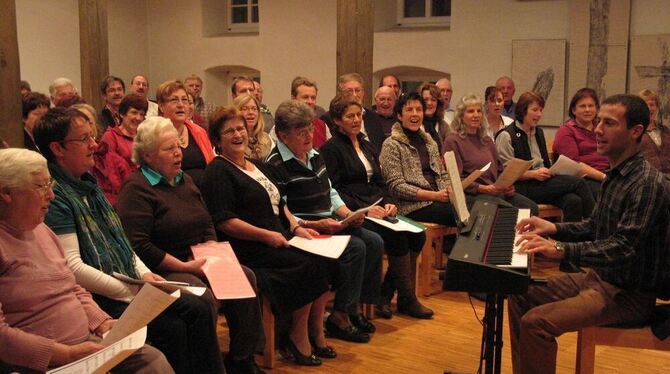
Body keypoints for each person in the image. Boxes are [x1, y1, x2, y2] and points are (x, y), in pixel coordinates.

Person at [33, 107, 226, 374]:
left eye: (93, 136)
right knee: (180, 322)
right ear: (58, 148)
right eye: (84, 139)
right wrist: (132, 292)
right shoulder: (57, 197)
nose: (94, 145)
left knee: (199, 303)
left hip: (127, 282)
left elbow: (122, 242)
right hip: (102, 296)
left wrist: (146, 276)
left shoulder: (88, 184)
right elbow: (74, 268)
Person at [508, 94, 670, 374]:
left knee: (537, 323)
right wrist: (553, 227)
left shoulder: (646, 184)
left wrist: (559, 249)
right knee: (519, 293)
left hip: (627, 296)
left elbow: (623, 247)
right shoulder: (616, 174)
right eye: (598, 122)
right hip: (599, 280)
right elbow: (595, 226)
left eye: (609, 123)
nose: (597, 130)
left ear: (636, 131)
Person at [0, 148, 174, 373]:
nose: (51, 195)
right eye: (40, 186)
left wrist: (101, 322)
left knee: (152, 361)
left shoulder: (42, 230)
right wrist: (65, 354)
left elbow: (72, 287)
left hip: (84, 344)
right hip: (42, 361)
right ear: (6, 192)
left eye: (49, 185)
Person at [115, 116, 264, 374]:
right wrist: (187, 266)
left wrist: (214, 253)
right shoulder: (137, 189)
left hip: (199, 258)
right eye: (169, 149)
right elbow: (139, 246)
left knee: (245, 276)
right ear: (148, 155)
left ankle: (242, 359)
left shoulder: (184, 180)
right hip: (165, 267)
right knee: (202, 297)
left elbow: (206, 221)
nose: (178, 153)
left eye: (178, 147)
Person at [202, 107, 341, 366]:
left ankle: (310, 331)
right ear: (217, 140)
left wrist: (297, 227)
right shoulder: (218, 172)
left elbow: (280, 203)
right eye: (229, 131)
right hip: (249, 248)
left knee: (327, 259)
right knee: (309, 265)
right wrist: (267, 236)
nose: (237, 134)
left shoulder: (259, 166)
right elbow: (226, 222)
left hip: (279, 238)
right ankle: (298, 337)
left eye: (240, 128)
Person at [267, 100, 383, 344]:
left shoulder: (314, 154)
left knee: (372, 241)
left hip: (327, 222)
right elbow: (282, 211)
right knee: (356, 248)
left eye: (310, 129)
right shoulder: (275, 165)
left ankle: (349, 309)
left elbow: (329, 192)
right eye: (302, 132)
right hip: (304, 231)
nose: (310, 136)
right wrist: (317, 225)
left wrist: (346, 213)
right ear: (282, 135)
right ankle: (339, 317)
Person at [320, 93, 432, 319]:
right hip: (357, 211)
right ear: (337, 121)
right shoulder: (331, 149)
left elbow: (381, 181)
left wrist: (390, 203)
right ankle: (406, 297)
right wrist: (367, 209)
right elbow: (335, 189)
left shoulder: (366, 144)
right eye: (349, 116)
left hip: (381, 207)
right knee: (397, 239)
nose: (355, 120)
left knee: (418, 234)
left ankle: (387, 293)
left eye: (358, 115)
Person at [495, 91, 595, 222]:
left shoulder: (538, 132)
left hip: (542, 183)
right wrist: (533, 174)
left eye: (541, 110)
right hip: (521, 186)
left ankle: (567, 241)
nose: (539, 114)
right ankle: (598, 227)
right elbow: (505, 173)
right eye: (535, 110)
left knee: (573, 201)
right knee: (579, 183)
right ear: (523, 110)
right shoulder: (506, 135)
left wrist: (553, 170)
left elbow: (545, 163)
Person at [442, 94, 538, 215]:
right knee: (509, 212)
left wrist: (507, 186)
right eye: (470, 111)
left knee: (531, 208)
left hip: (495, 191)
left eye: (478, 111)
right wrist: (483, 188)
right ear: (461, 116)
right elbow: (456, 180)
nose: (476, 115)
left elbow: (499, 170)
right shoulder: (453, 141)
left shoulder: (486, 140)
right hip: (472, 194)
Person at [379, 92, 458, 227]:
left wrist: (448, 190)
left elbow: (442, 174)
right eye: (409, 110)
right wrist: (435, 196)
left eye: (419, 109)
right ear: (399, 115)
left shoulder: (430, 142)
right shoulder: (391, 144)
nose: (415, 114)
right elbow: (396, 187)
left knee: (475, 206)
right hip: (411, 206)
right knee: (455, 213)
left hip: (438, 200)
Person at [157, 80, 215, 188]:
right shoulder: (155, 134)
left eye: (184, 100)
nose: (181, 105)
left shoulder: (199, 131)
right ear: (161, 106)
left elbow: (211, 167)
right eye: (174, 100)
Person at [552, 88, 608, 197]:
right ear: (574, 110)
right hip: (584, 179)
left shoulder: (601, 128)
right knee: (608, 194)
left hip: (606, 174)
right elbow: (573, 165)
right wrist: (603, 177)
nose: (587, 110)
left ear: (597, 109)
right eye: (582, 106)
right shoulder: (566, 130)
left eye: (591, 106)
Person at [95, 93, 147, 204]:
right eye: (134, 112)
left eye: (141, 114)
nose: (138, 118)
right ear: (122, 114)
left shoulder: (145, 136)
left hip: (146, 188)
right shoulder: (111, 137)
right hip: (124, 193)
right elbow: (109, 173)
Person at [321, 73, 386, 153]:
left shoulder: (373, 116)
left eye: (358, 90)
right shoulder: (328, 118)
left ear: (363, 93)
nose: (354, 95)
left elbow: (381, 146)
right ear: (340, 94)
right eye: (349, 91)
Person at [290, 76, 331, 148]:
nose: (310, 102)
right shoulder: (283, 125)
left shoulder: (323, 126)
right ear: (293, 99)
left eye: (313, 98)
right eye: (305, 97)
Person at [638, 89, 670, 174]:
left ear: (657, 107)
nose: (649, 108)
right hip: (647, 180)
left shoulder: (666, 131)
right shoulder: (634, 132)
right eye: (645, 105)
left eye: (652, 105)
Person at [233, 93, 273, 160]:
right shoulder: (230, 141)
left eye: (254, 109)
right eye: (245, 109)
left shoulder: (267, 139)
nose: (251, 112)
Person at [418, 82, 449, 149]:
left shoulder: (444, 126)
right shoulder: (414, 124)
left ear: (438, 103)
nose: (429, 103)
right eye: (425, 100)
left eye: (433, 100)